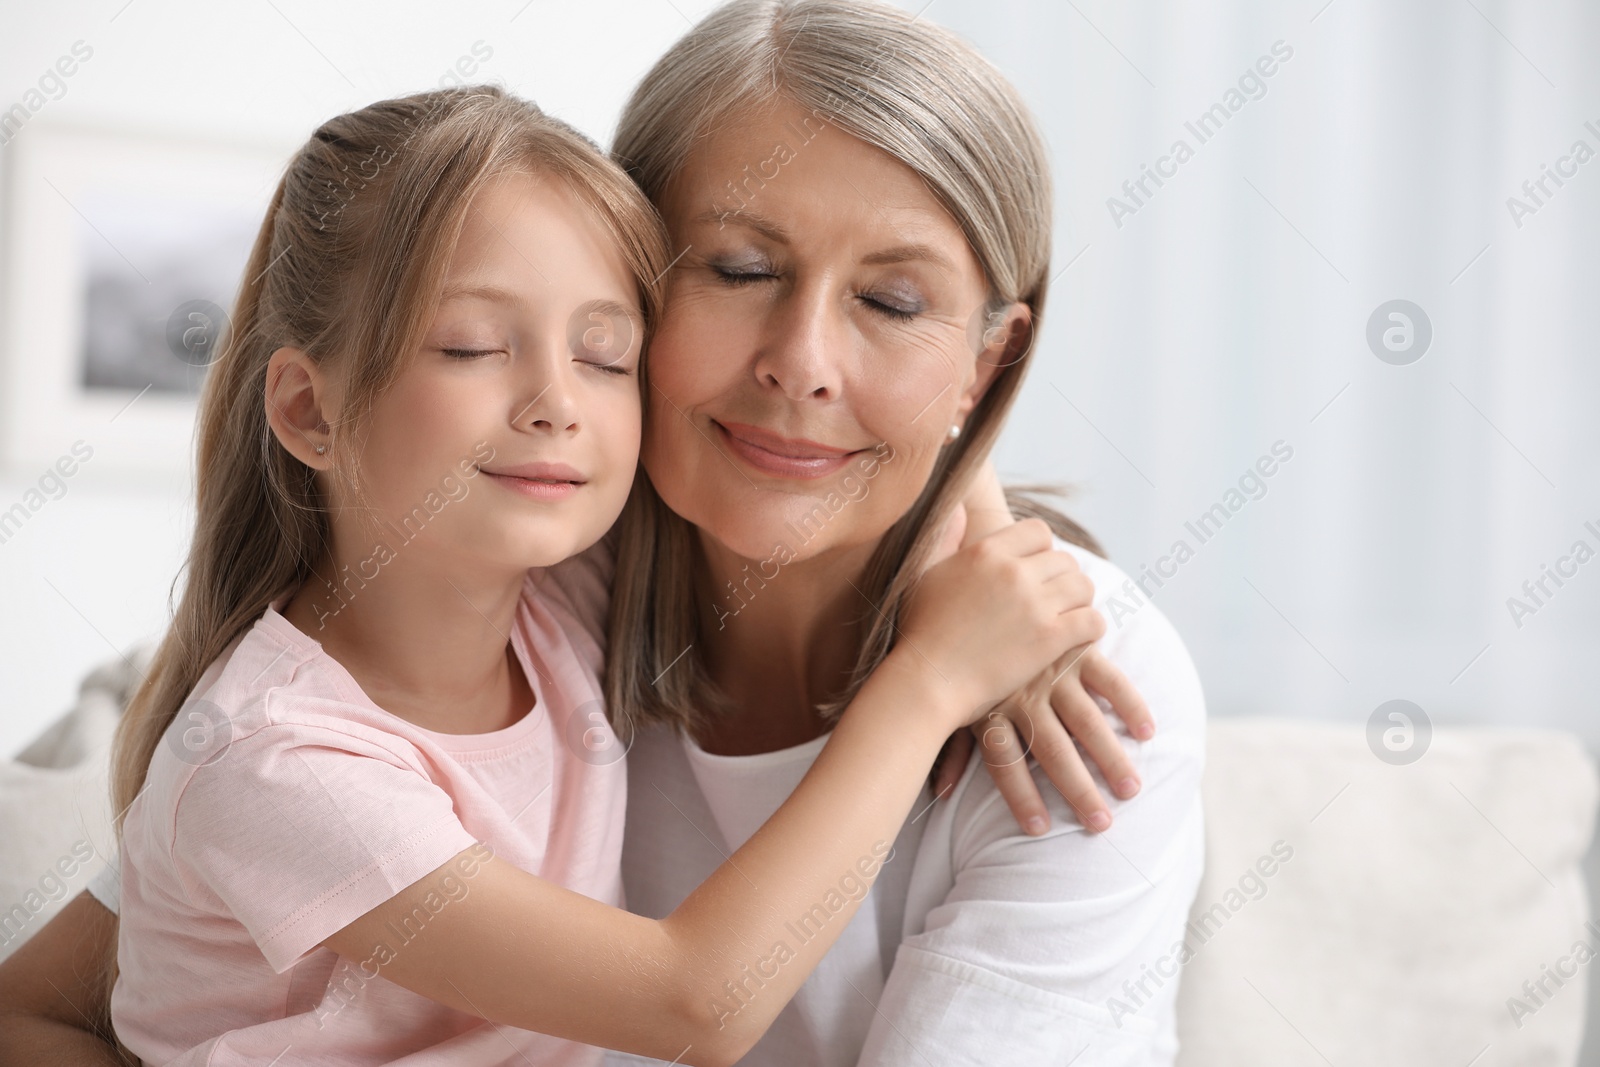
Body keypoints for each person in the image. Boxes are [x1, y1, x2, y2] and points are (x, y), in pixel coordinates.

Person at [0, 1, 1204, 1063]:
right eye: (735, 267)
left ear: (987, 361)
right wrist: (935, 651)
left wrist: (966, 513)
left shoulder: (1083, 680)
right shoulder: (528, 586)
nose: (801, 363)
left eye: (894, 302)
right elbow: (54, 999)